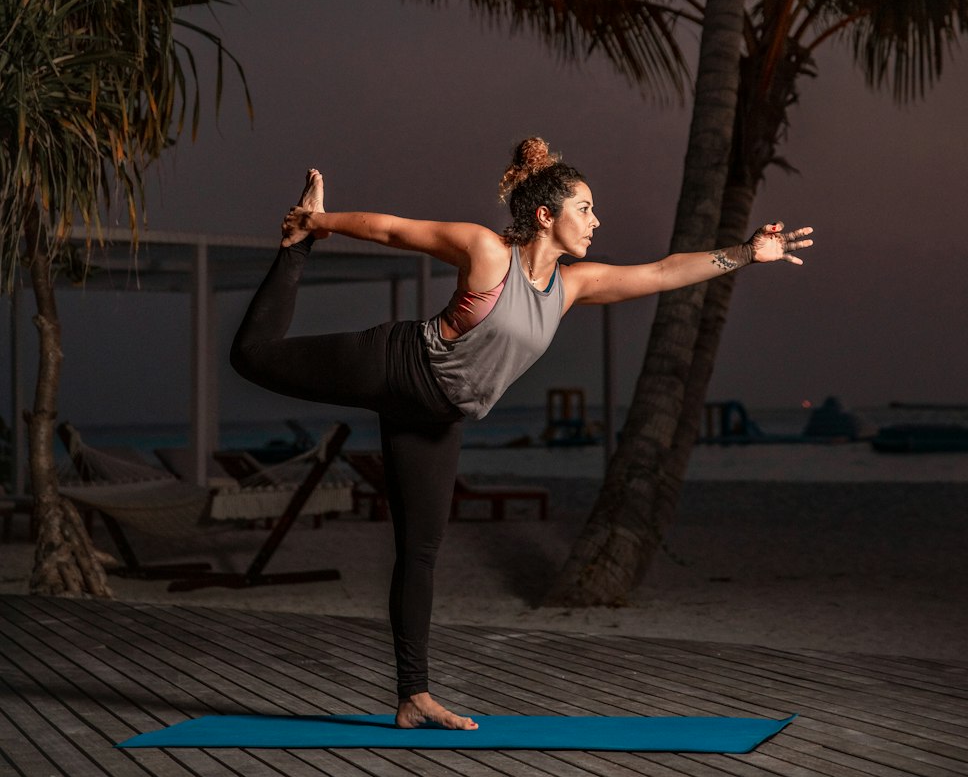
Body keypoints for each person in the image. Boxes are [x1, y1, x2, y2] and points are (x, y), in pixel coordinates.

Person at [230, 136, 813, 730]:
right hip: (399, 364)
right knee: (252, 357)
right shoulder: (487, 253)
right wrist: (316, 222)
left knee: (421, 551)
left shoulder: (571, 287)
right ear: (545, 215)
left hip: (439, 417)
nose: (596, 220)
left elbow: (662, 273)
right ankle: (293, 251)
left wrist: (746, 253)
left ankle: (413, 696)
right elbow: (392, 230)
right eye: (585, 208)